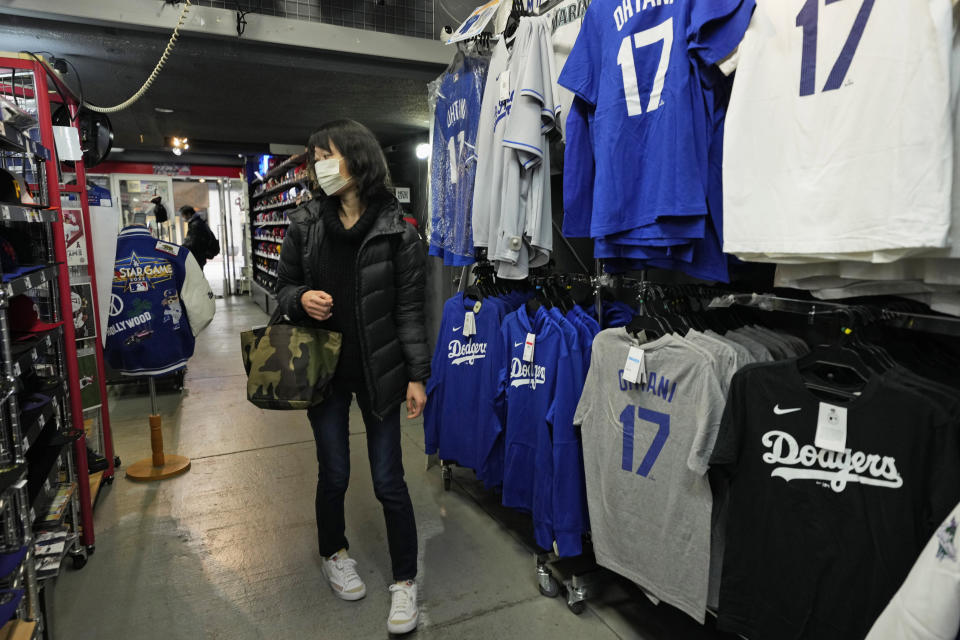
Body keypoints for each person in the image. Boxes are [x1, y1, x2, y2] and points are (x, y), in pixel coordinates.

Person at [275, 119, 430, 635]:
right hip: (325, 371)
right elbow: (284, 290)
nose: (318, 166)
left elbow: (410, 310)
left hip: (379, 370)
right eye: (314, 156)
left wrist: (417, 375)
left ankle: (405, 580)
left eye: (328, 155)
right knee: (334, 473)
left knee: (389, 480)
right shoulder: (304, 224)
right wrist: (300, 299)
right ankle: (333, 551)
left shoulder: (398, 231)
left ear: (358, 161)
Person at [180, 205, 220, 269]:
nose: (183, 218)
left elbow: (192, 242)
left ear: (189, 214)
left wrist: (181, 249)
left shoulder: (196, 225)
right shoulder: (198, 222)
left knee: (196, 276)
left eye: (183, 215)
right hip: (199, 256)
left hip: (198, 256)